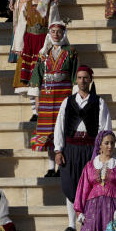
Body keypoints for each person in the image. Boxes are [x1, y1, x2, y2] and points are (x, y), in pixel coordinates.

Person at [54, 66, 112, 231]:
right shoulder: (67, 102)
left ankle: (89, 223)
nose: (82, 81)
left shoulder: (99, 102)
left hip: (91, 149)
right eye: (79, 78)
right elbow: (59, 127)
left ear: (90, 80)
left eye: (85, 78)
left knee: (91, 186)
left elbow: (105, 128)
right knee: (70, 184)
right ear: (76, 80)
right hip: (71, 149)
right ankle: (72, 224)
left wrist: (103, 152)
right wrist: (58, 150)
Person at [10, 0, 60, 115]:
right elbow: (21, 26)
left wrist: (51, 46)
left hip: (44, 42)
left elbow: (53, 25)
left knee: (43, 76)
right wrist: (18, 46)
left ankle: (44, 109)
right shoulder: (26, 5)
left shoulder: (50, 5)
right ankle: (34, 111)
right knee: (31, 78)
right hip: (30, 43)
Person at [29, 19, 80, 155]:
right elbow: (36, 77)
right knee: (48, 129)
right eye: (53, 31)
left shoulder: (71, 52)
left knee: (63, 126)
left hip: (64, 94)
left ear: (64, 33)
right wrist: (37, 100)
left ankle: (62, 162)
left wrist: (76, 97)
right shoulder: (44, 53)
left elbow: (76, 75)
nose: (56, 34)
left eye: (59, 31)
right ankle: (51, 167)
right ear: (49, 33)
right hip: (46, 95)